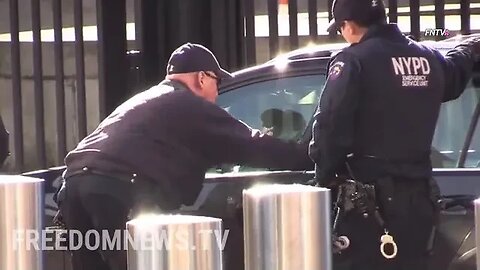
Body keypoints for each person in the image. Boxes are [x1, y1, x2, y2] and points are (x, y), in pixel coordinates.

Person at [56, 43, 313, 270]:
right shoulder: (188, 104)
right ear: (202, 78)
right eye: (217, 82)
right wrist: (307, 157)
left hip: (73, 187)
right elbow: (250, 144)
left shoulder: (145, 100)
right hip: (116, 190)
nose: (217, 92)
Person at [307, 0, 480, 269]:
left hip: (369, 210)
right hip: (420, 203)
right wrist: (470, 47)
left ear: (348, 25)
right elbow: (455, 74)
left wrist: (324, 179)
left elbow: (330, 127)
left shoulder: (353, 61)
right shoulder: (427, 57)